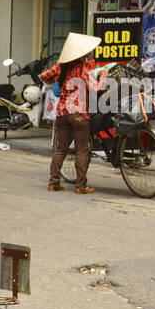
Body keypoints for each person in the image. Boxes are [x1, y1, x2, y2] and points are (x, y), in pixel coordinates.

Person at [41, 32, 107, 194]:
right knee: (82, 150)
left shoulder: (61, 66)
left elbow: (45, 77)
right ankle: (81, 186)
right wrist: (103, 76)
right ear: (82, 53)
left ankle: (53, 182)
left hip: (62, 113)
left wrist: (59, 79)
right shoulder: (85, 69)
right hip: (79, 115)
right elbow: (97, 89)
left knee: (61, 148)